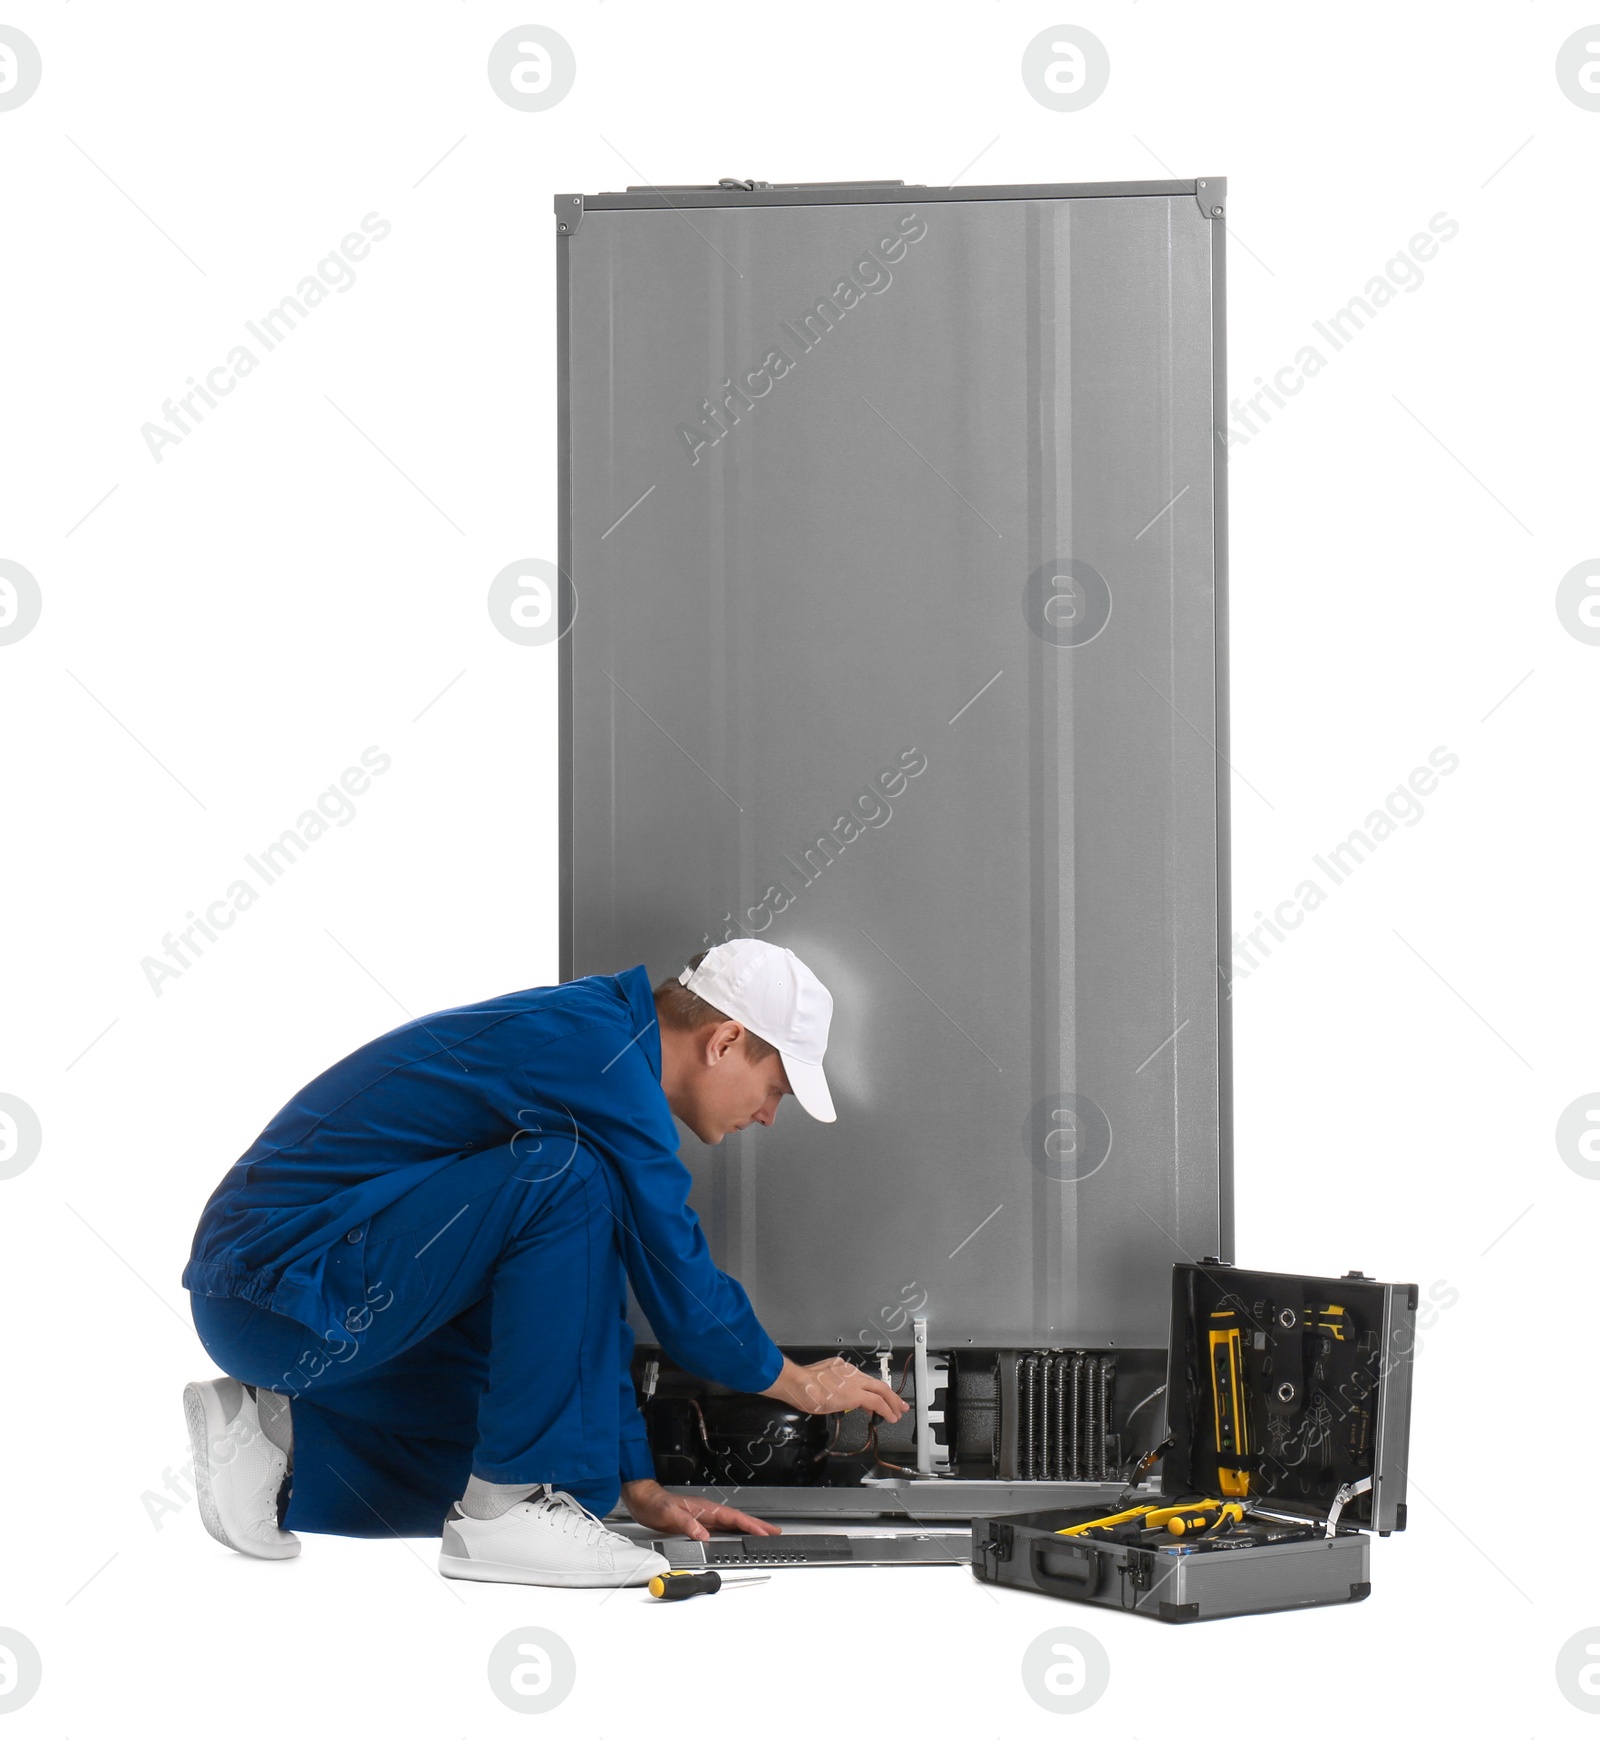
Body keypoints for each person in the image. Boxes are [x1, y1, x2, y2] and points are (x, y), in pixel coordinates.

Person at [179, 937, 907, 1588]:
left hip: (308, 1303)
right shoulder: (604, 1058)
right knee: (569, 1178)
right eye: (775, 1087)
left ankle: (279, 1437)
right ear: (724, 1041)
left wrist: (636, 1484)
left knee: (574, 1473)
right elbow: (677, 1278)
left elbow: (590, 1298)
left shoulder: (605, 1050)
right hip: (273, 1286)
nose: (771, 1115)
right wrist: (796, 1382)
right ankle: (505, 1514)